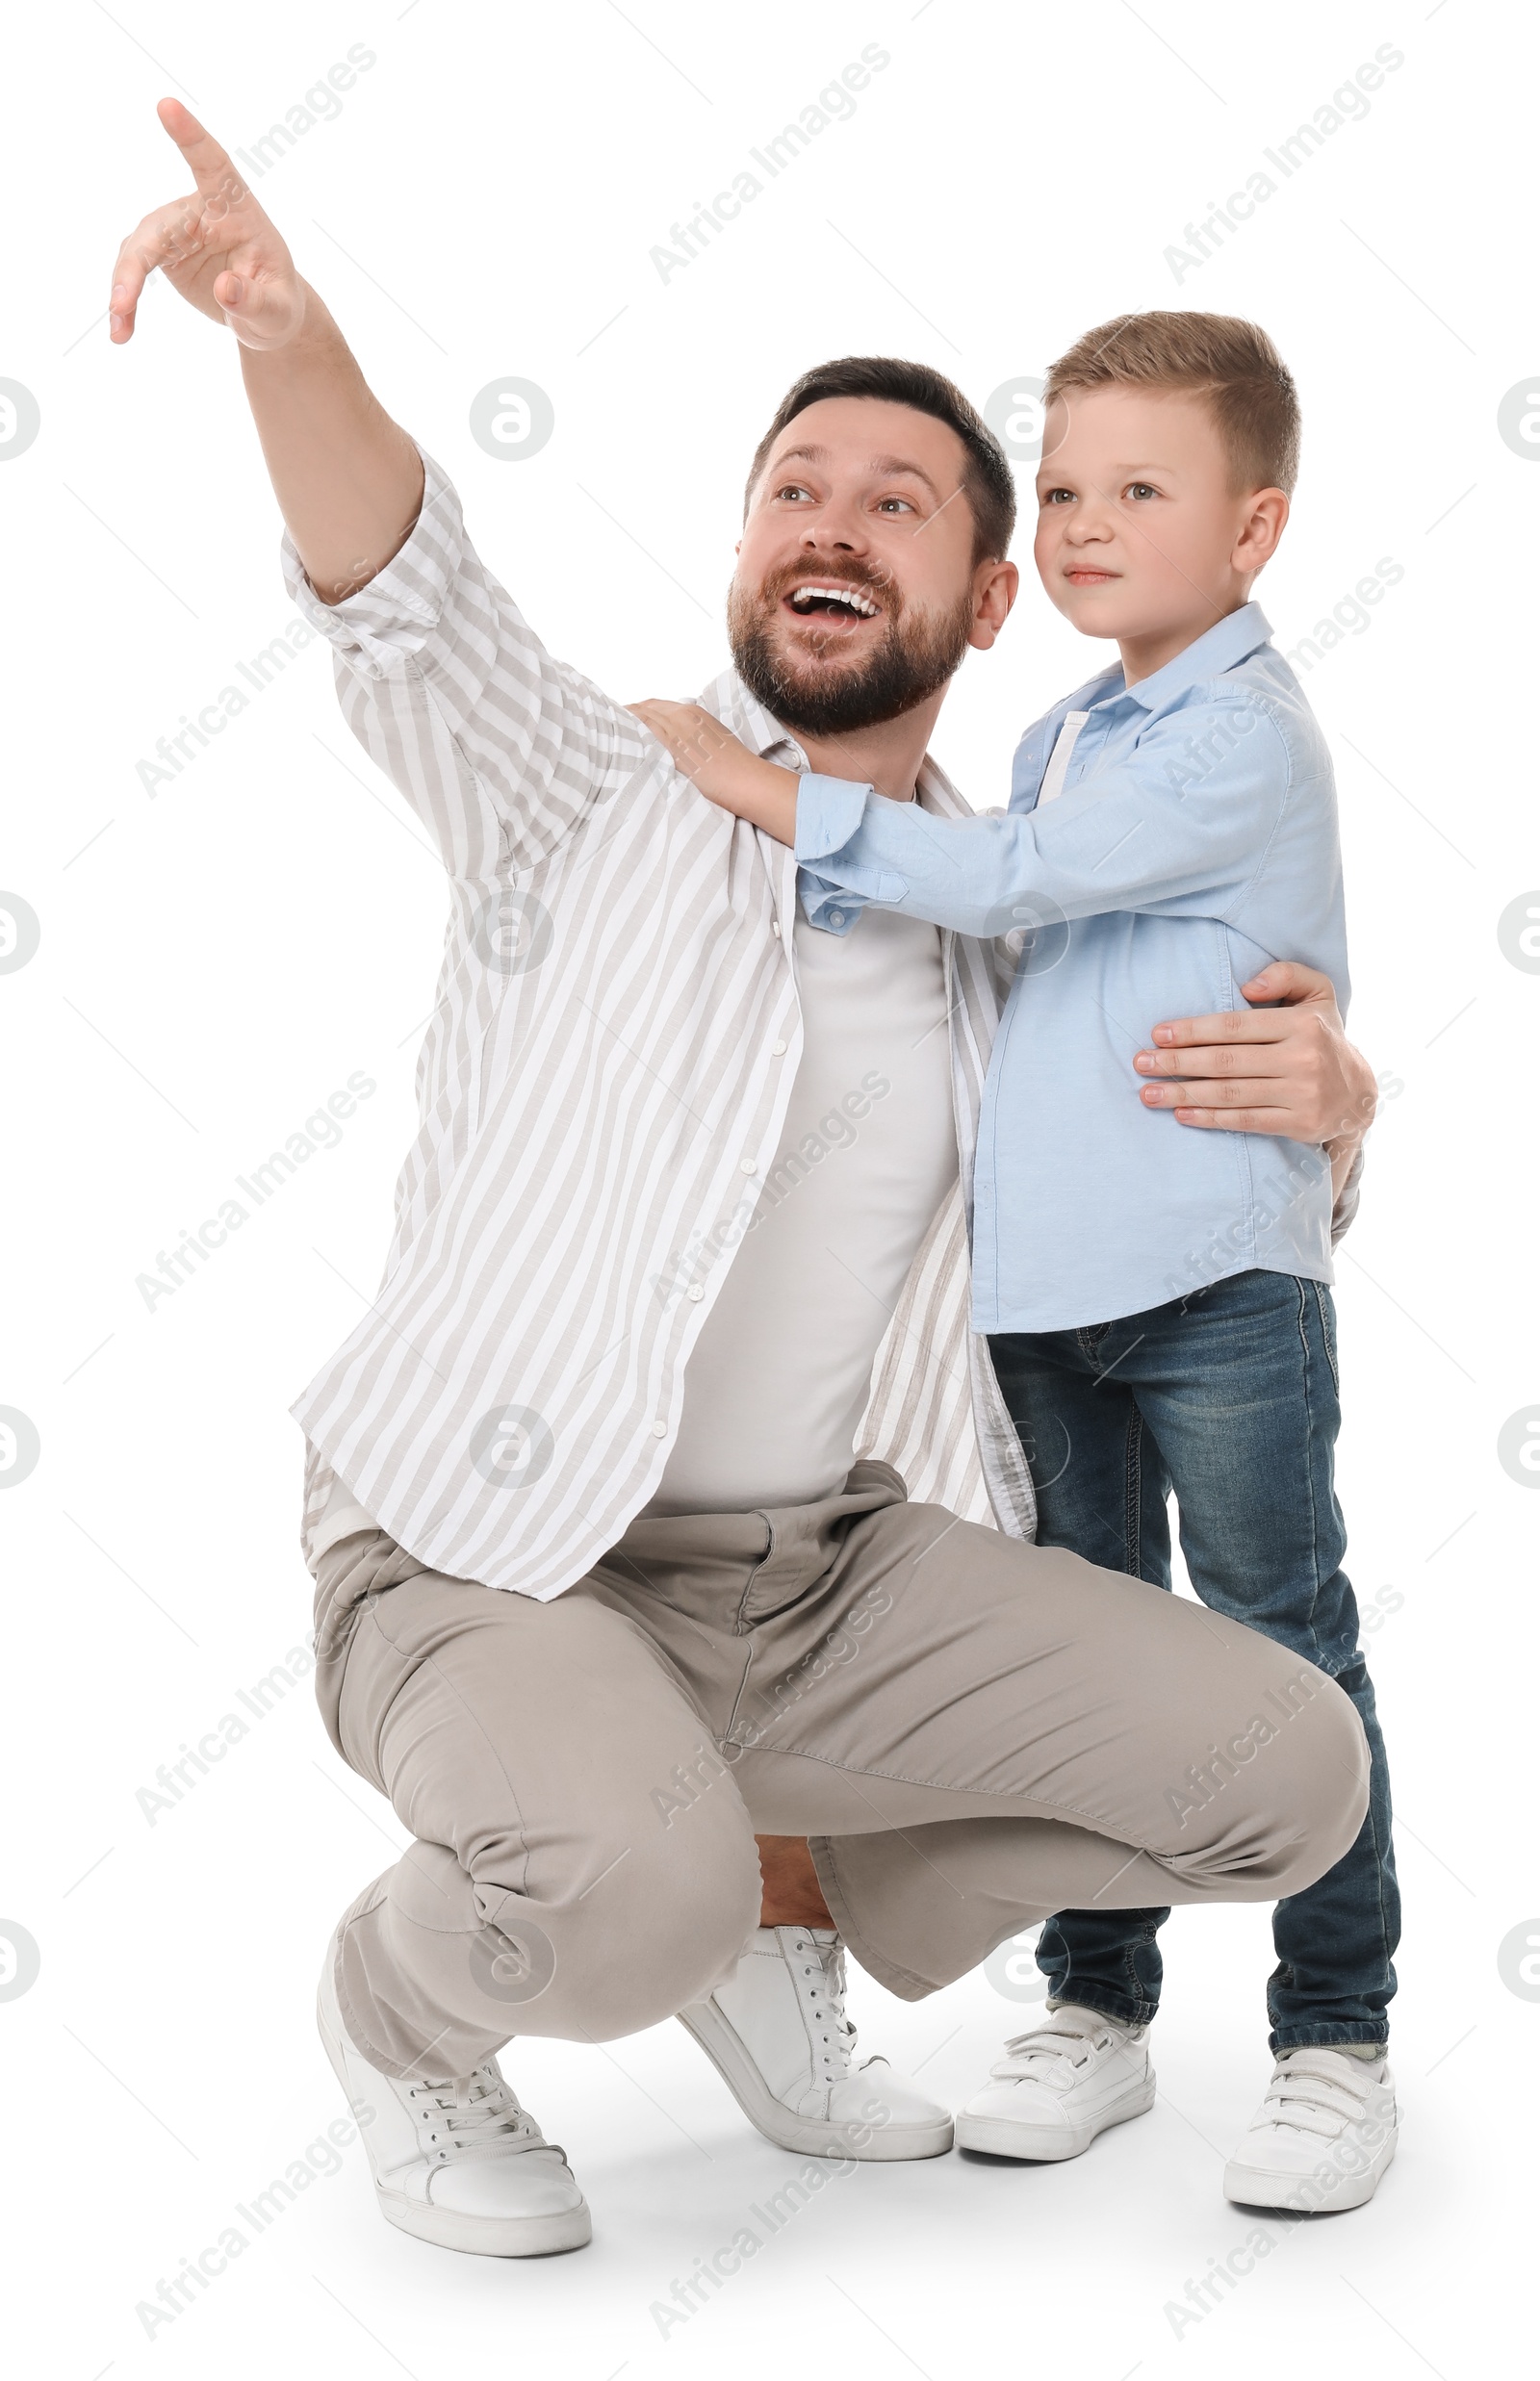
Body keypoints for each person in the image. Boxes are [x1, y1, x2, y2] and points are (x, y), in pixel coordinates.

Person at [111, 108, 1380, 2259]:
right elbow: (404, 592)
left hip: (815, 1581)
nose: (830, 518)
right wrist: (283, 338)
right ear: (738, 558)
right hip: (484, 1553)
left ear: (985, 600)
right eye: (791, 489)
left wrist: (1330, 1112)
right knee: (618, 1887)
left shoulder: (1017, 922)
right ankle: (413, 2011)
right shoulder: (587, 782)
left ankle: (768, 1897)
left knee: (1285, 1767)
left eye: (896, 503)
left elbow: (1165, 1191)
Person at [644, 311, 1399, 2213]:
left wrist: (748, 785)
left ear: (1253, 530)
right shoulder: (1063, 730)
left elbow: (1005, 890)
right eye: (1058, 488)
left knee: (1276, 1635)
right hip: (1044, 1306)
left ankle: (1332, 2039)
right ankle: (1098, 2001)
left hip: (1214, 1295)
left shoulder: (1229, 733)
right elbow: (1006, 958)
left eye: (1136, 490)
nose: (1078, 522)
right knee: (1081, 1654)